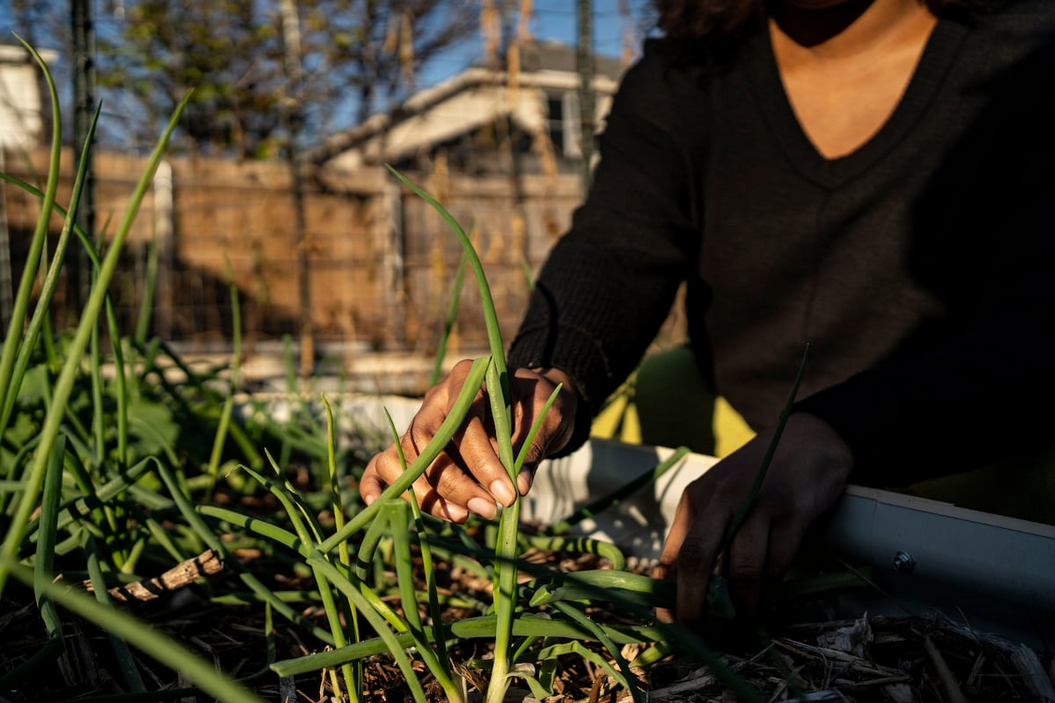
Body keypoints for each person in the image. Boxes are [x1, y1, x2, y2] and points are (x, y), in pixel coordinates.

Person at [363, 0, 1055, 629]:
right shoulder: (683, 75)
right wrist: (542, 377)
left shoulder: (1027, 51)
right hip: (740, 414)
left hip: (976, 441)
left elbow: (1033, 327)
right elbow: (617, 246)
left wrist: (836, 428)